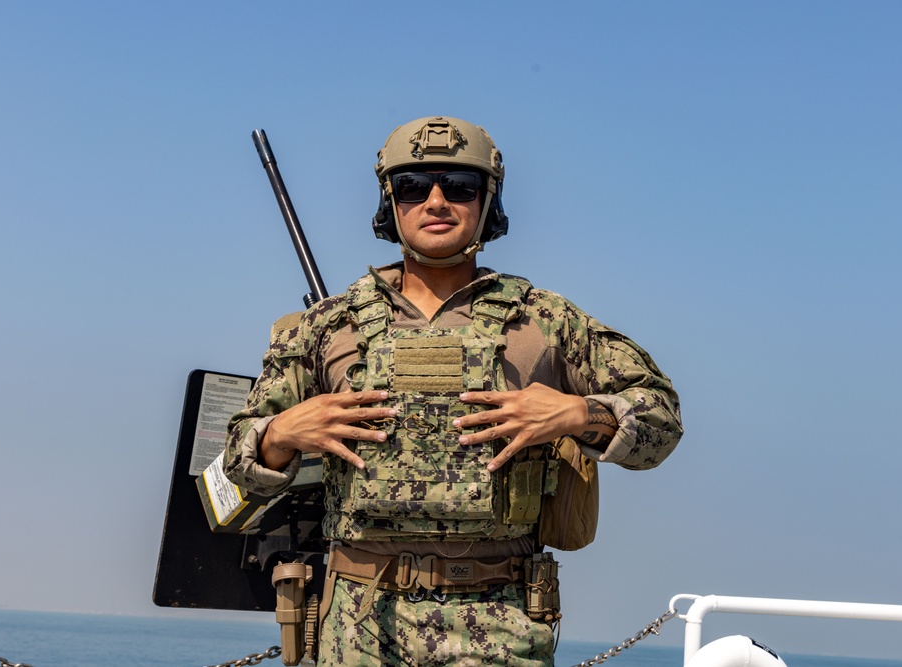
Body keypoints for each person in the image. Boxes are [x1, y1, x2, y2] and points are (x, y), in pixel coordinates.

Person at [224, 115, 683, 666]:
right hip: (358, 623)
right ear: (390, 202)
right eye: (414, 186)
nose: (436, 201)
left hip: (499, 622)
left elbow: (661, 422)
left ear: (488, 202)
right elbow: (237, 464)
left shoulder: (545, 321)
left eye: (459, 187)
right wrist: (280, 434)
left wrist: (578, 413)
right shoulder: (325, 326)